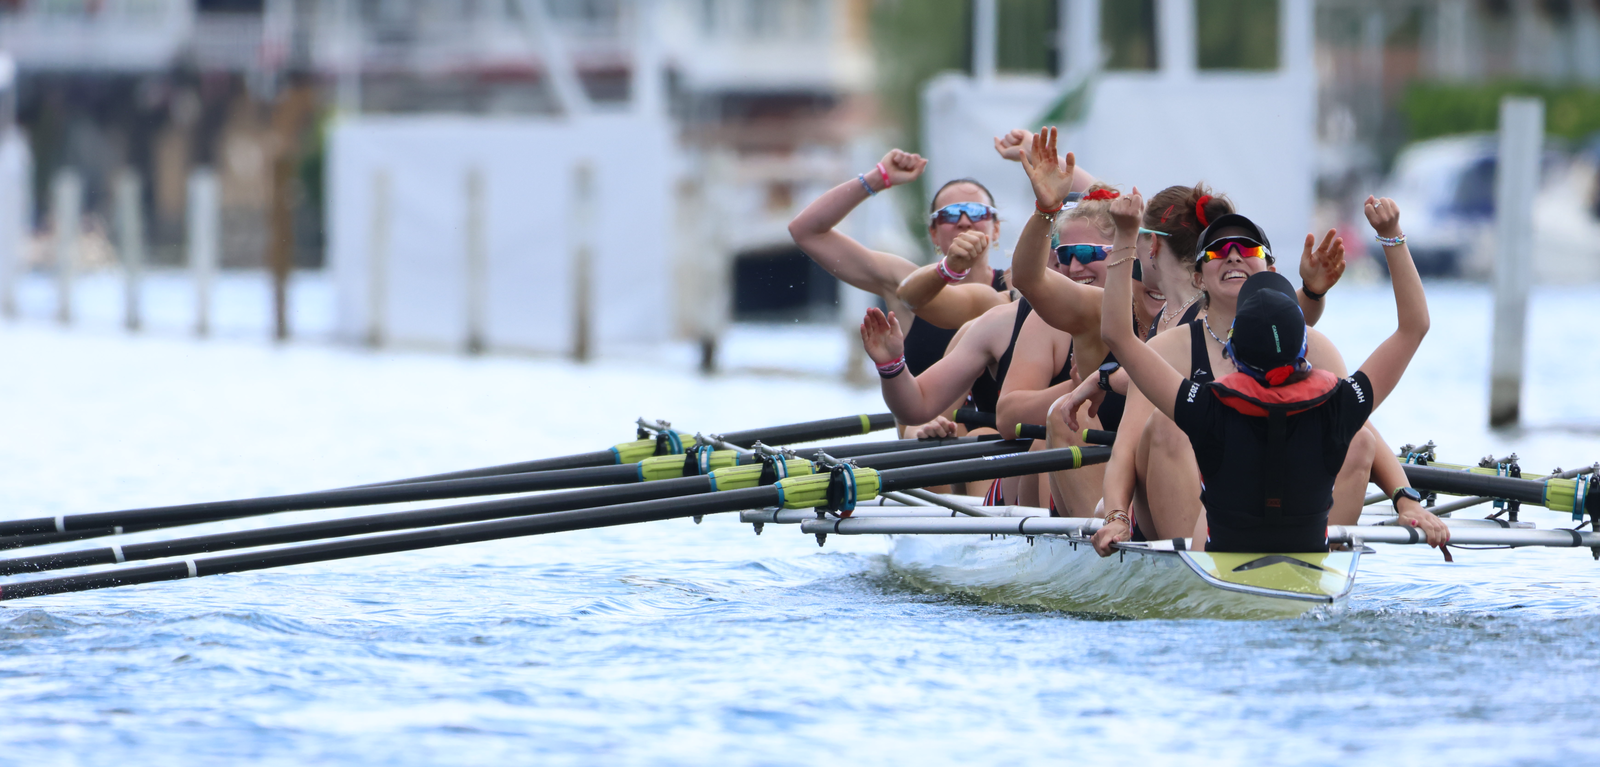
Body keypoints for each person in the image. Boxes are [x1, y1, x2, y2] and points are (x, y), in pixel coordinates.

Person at [1090, 191, 1449, 553]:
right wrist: (1117, 516)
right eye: (1218, 250)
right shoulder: (1176, 356)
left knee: (1361, 441)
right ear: (1197, 278)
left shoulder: (1207, 407)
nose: (1233, 254)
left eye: (1247, 248)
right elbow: (1413, 328)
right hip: (1195, 520)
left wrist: (1406, 498)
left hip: (1231, 526)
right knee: (1165, 424)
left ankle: (1305, 561)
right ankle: (1192, 567)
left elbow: (1117, 337)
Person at [788, 149, 1010, 381]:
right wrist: (877, 178)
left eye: (977, 212)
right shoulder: (903, 281)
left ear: (996, 229)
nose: (964, 222)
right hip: (924, 418)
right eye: (950, 214)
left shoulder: (1020, 287)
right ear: (933, 234)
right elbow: (806, 231)